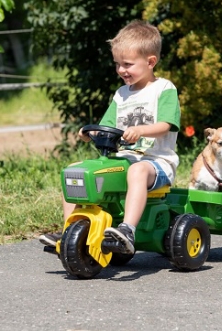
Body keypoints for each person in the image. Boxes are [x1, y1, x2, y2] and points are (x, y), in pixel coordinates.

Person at [39, 20, 180, 254]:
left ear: (150, 62)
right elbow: (106, 126)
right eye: (117, 64)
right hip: (123, 160)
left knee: (137, 170)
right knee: (76, 169)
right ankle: (70, 230)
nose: (121, 70)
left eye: (127, 64)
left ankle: (128, 230)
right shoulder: (121, 94)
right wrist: (89, 132)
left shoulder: (164, 89)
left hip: (157, 163)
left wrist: (141, 130)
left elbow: (167, 125)